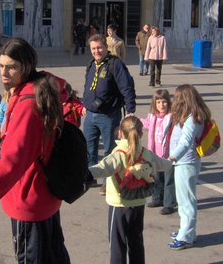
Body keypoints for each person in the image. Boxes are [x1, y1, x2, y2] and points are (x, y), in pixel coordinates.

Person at [0, 37, 71, 264]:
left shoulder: (28, 105)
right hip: (44, 195)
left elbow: (11, 164)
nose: (4, 72)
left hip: (29, 199)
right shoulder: (36, 89)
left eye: (12, 67)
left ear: (26, 67)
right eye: (1, 66)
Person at [88, 116, 171, 264]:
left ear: (120, 133)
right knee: (136, 242)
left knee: (117, 245)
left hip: (119, 204)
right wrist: (173, 161)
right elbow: (162, 164)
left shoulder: (119, 153)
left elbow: (102, 169)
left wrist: (82, 173)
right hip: (138, 203)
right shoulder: (145, 153)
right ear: (140, 134)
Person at [82, 34, 136, 195]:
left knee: (109, 151)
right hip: (91, 115)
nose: (97, 51)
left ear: (106, 47)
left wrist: (130, 110)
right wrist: (85, 105)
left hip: (109, 116)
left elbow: (126, 88)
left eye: (99, 47)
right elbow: (88, 87)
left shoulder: (115, 64)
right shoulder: (92, 64)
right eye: (93, 48)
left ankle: (108, 182)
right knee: (89, 149)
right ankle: (90, 177)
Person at [167, 84, 211, 250]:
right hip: (184, 162)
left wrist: (172, 157)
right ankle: (185, 230)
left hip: (186, 162)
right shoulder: (188, 116)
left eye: (176, 96)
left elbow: (186, 141)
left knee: (186, 201)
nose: (174, 99)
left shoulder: (192, 118)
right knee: (183, 199)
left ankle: (186, 236)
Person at [140, 89, 176, 214]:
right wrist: (135, 120)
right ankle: (157, 198)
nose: (161, 105)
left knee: (169, 180)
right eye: (159, 102)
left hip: (168, 155)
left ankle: (169, 203)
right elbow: (146, 124)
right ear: (154, 104)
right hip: (155, 153)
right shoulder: (152, 116)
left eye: (164, 102)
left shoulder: (172, 117)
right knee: (156, 177)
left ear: (169, 103)